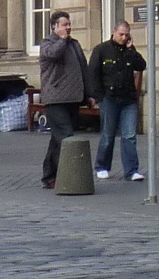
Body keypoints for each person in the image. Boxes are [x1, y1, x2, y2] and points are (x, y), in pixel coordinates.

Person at [36, 11, 91, 188]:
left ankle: (49, 176)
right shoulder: (47, 44)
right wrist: (62, 40)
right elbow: (54, 54)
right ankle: (70, 177)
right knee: (67, 137)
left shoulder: (74, 44)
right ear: (55, 27)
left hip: (73, 98)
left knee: (57, 139)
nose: (68, 27)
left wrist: (89, 95)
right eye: (64, 25)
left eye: (69, 24)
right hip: (55, 98)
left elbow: (84, 69)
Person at [88, 20, 147, 181]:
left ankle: (131, 170)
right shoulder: (102, 50)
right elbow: (93, 73)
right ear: (114, 32)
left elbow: (141, 65)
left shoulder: (129, 51)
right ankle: (102, 166)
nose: (123, 37)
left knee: (129, 135)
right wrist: (97, 96)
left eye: (127, 35)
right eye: (121, 34)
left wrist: (132, 50)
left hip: (128, 99)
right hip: (109, 98)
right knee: (108, 134)